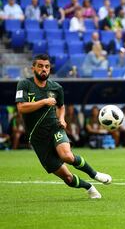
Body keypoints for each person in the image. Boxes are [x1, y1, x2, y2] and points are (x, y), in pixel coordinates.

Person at [15, 54, 112, 199]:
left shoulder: (56, 88)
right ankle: (89, 187)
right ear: (33, 68)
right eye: (40, 66)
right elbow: (21, 108)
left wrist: (61, 118)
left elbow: (61, 106)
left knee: (66, 155)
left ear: (50, 69)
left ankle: (95, 174)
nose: (44, 69)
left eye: (47, 67)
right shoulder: (24, 84)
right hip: (37, 138)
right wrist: (44, 102)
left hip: (54, 128)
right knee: (68, 178)